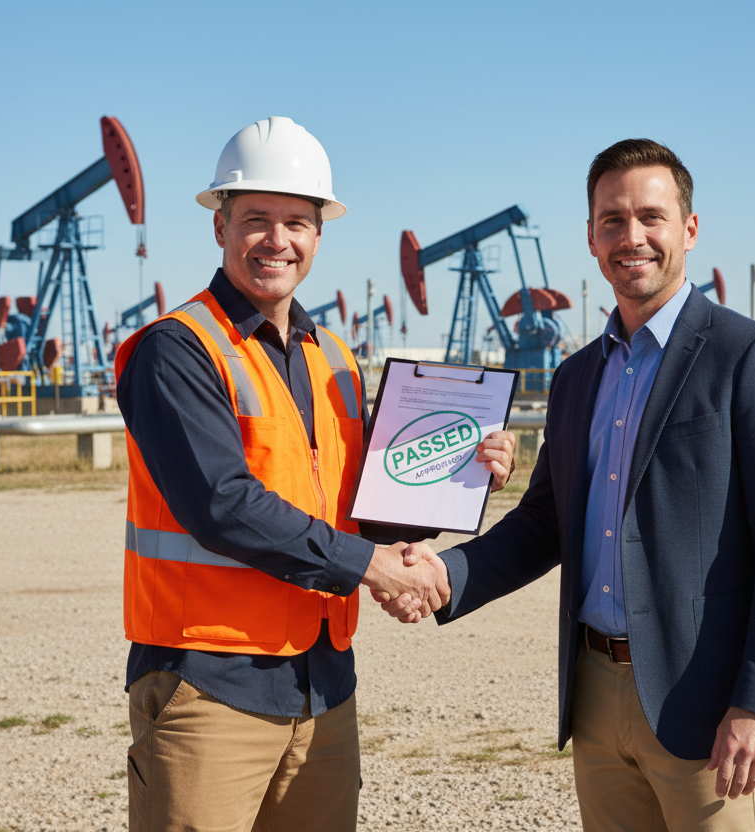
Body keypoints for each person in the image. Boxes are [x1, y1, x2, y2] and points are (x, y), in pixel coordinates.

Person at [377, 139, 755, 830]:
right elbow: (546, 522)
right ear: (590, 237)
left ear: (689, 229)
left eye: (651, 216)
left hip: (707, 706)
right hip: (596, 693)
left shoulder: (753, 358)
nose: (632, 237)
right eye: (612, 221)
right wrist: (443, 574)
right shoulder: (578, 376)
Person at [114, 116, 510, 832]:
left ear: (320, 235)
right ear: (220, 227)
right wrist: (373, 568)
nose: (278, 240)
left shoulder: (334, 358)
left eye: (297, 221)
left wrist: (463, 472)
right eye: (257, 219)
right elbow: (222, 504)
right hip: (208, 683)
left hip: (324, 688)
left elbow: (358, 506)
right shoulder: (177, 350)